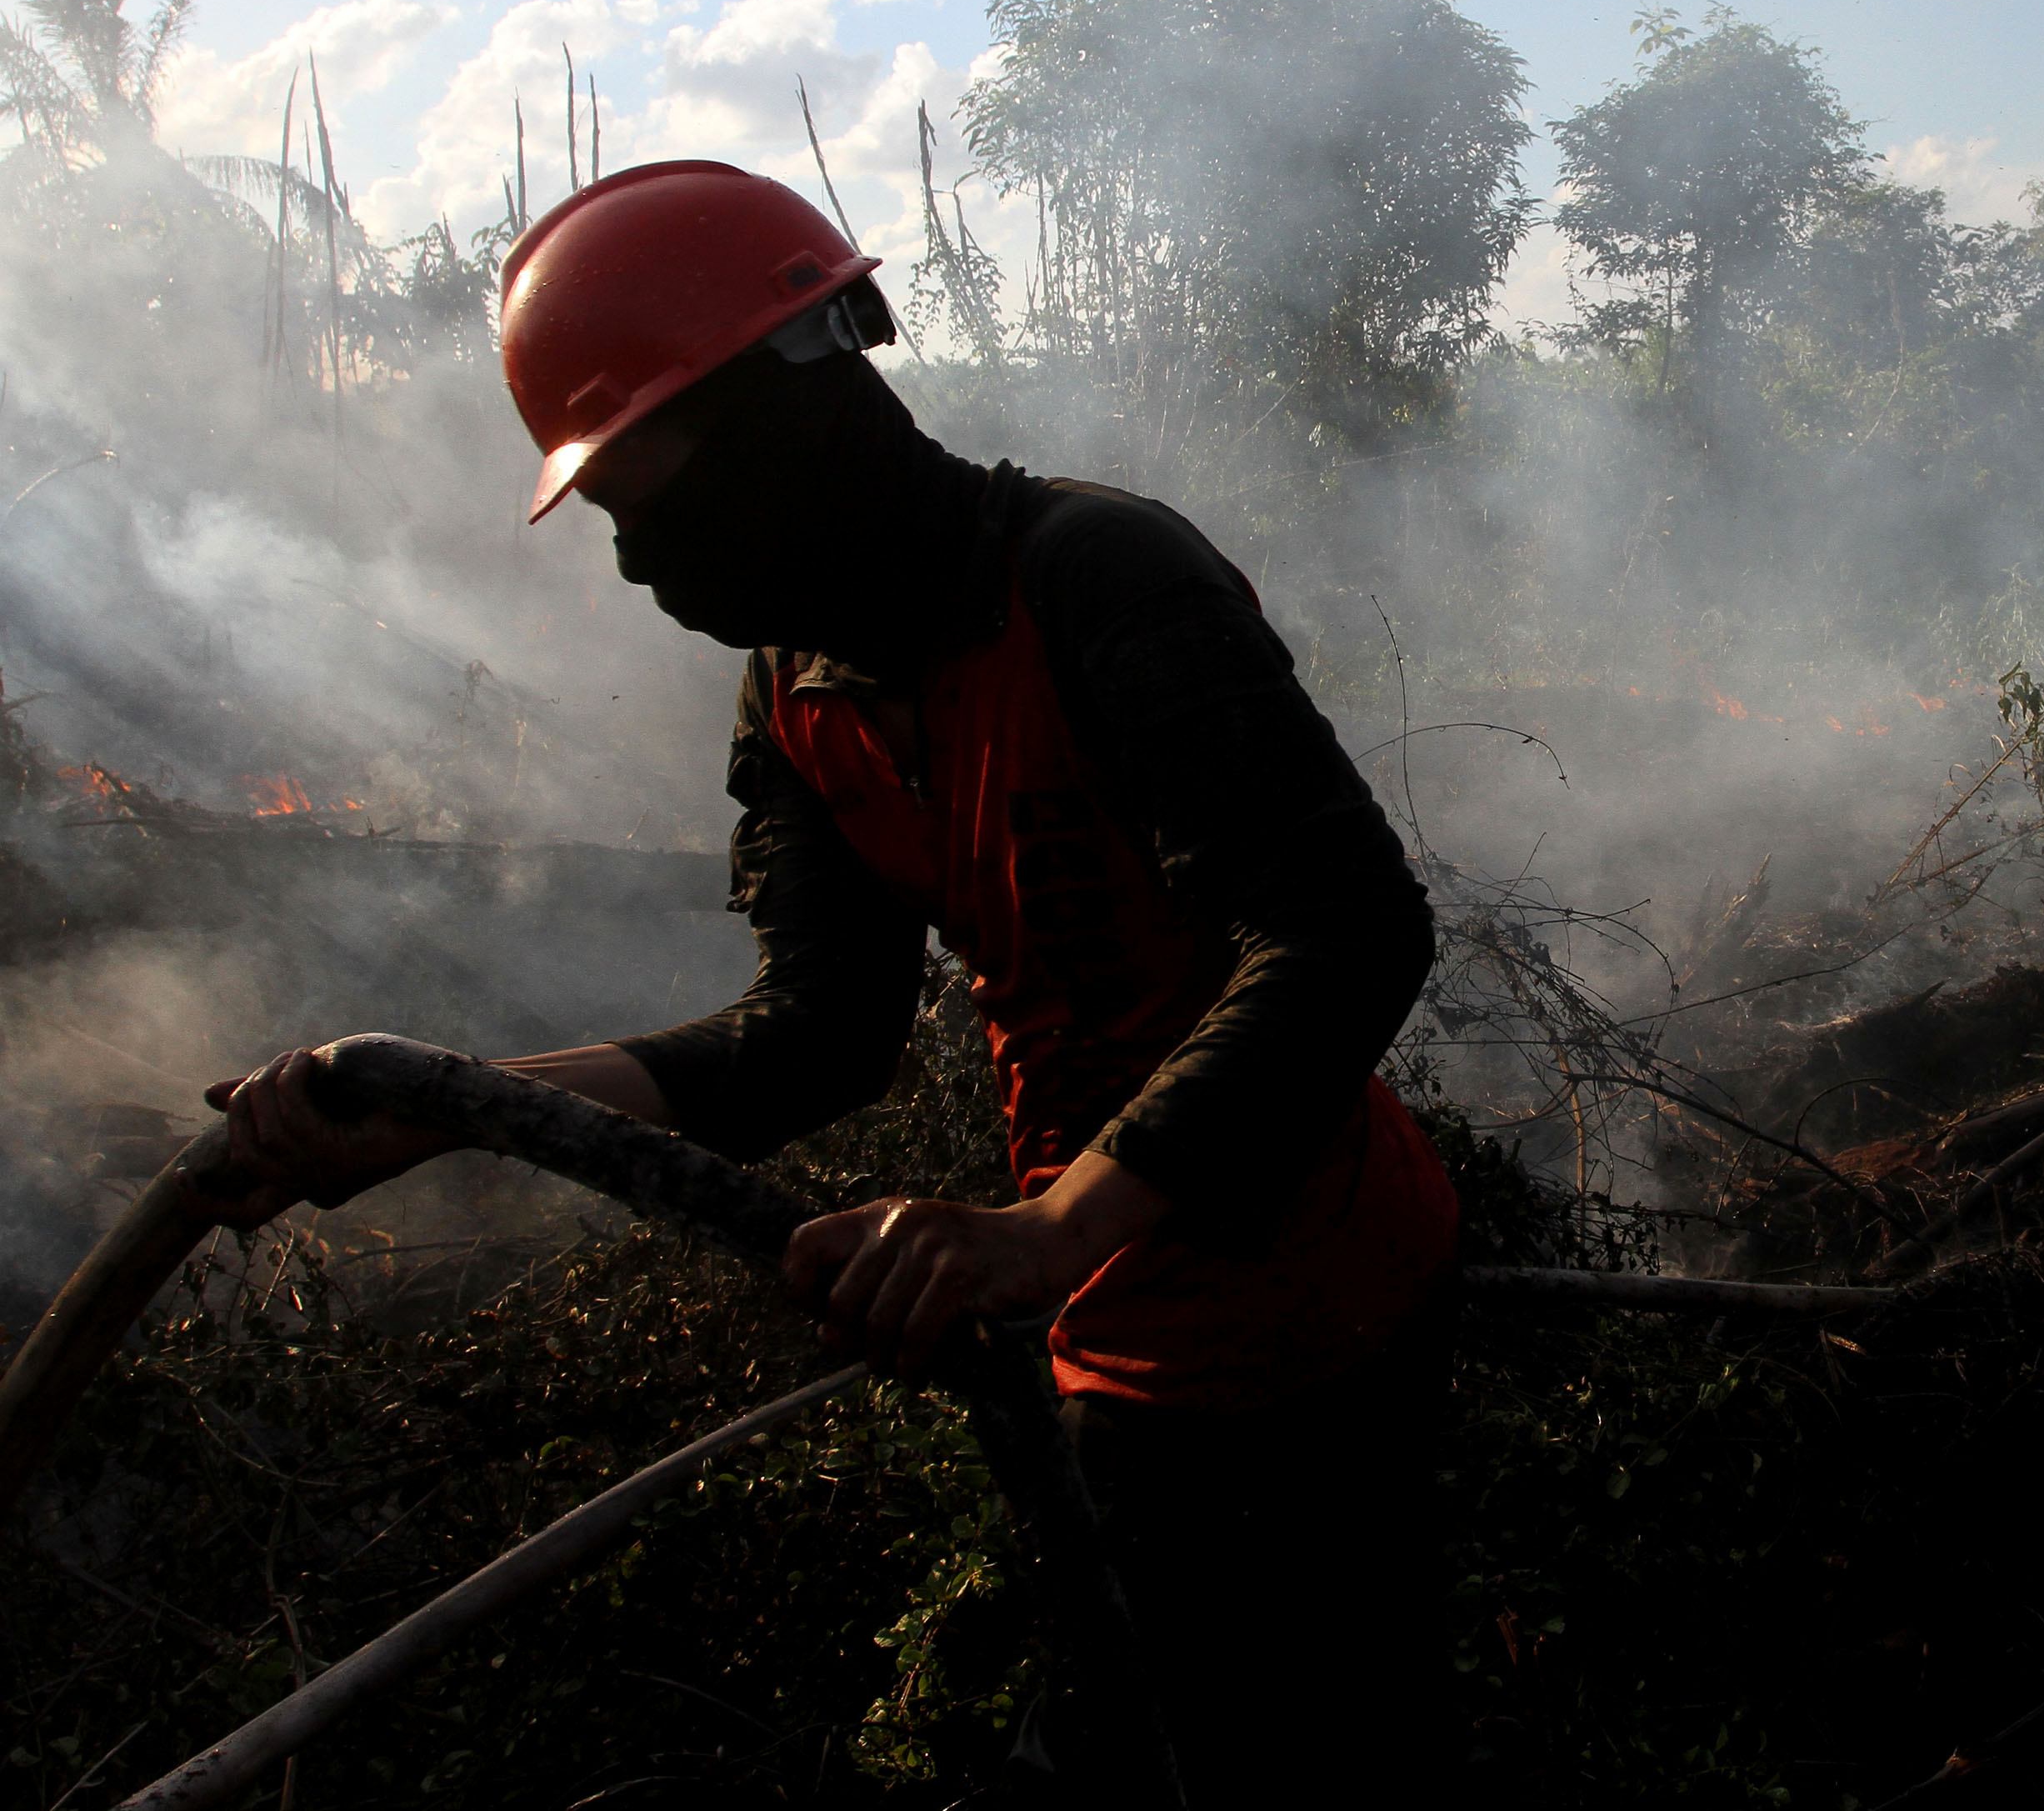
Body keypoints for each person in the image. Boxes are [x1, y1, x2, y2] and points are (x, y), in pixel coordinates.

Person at [192, 161, 1460, 1804]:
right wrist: (454, 1110)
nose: (649, 566)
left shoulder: (1095, 576)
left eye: (658, 507)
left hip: (1318, 1292)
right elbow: (816, 1037)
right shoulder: (794, 693)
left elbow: (1344, 931)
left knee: (1289, 1741)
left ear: (787, 416)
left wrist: (1047, 1227)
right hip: (1107, 1324)